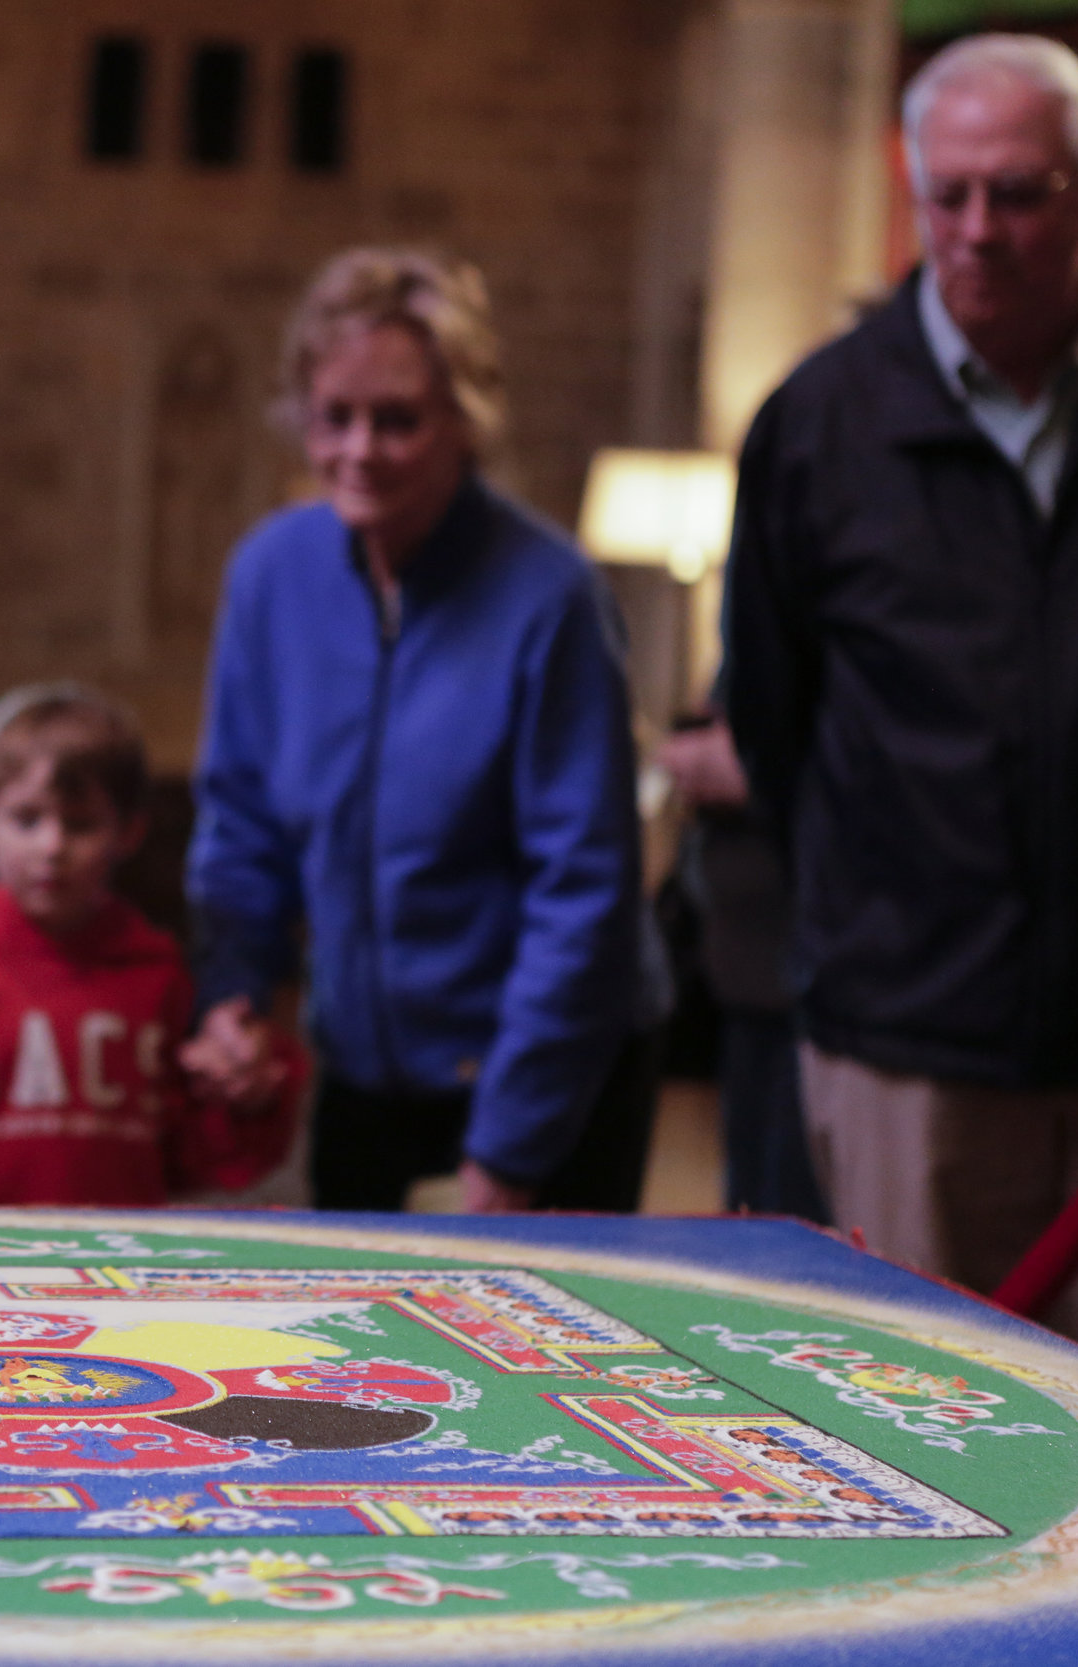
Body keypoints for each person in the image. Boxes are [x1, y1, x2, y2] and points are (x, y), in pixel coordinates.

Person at [722, 35, 1078, 1395]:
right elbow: (775, 717)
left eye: (1017, 194)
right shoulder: (819, 423)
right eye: (948, 193)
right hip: (913, 1043)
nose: (978, 232)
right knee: (924, 1427)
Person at [184, 247, 642, 1215]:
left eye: (397, 420)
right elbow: (240, 824)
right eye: (333, 417)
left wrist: (508, 1154)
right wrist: (234, 994)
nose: (359, 449)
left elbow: (583, 894)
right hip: (363, 1071)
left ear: (464, 424)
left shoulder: (550, 595)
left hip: (550, 1071)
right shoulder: (270, 573)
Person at [0, 684, 295, 1207]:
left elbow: (191, 1155)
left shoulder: (155, 972)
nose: (52, 848)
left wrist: (249, 1102)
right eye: (26, 819)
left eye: (80, 824)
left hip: (120, 1268)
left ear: (128, 832)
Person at [658, 716, 826, 1221]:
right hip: (744, 982)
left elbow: (787, 762)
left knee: (787, 1224)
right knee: (747, 1207)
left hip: (803, 990)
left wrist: (713, 759)